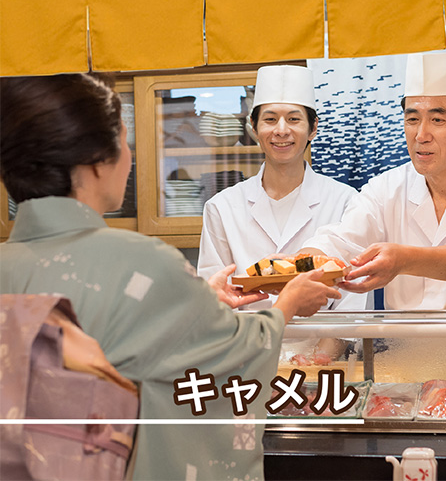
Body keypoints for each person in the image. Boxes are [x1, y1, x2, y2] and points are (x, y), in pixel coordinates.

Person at [0, 73, 341, 481]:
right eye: (123, 142)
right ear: (94, 162)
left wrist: (199, 301)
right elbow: (225, 359)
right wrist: (284, 309)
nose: (129, 157)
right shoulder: (144, 263)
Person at [300, 51, 446, 310]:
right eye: (412, 119)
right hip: (404, 351)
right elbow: (341, 241)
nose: (421, 135)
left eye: (438, 120)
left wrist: (403, 260)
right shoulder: (385, 188)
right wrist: (294, 266)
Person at [198, 64, 371, 311]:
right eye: (270, 119)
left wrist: (323, 352)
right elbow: (213, 300)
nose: (281, 130)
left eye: (293, 119)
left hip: (322, 343)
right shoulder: (221, 207)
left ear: (313, 128)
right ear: (254, 127)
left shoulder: (345, 201)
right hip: (249, 345)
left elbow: (352, 301)